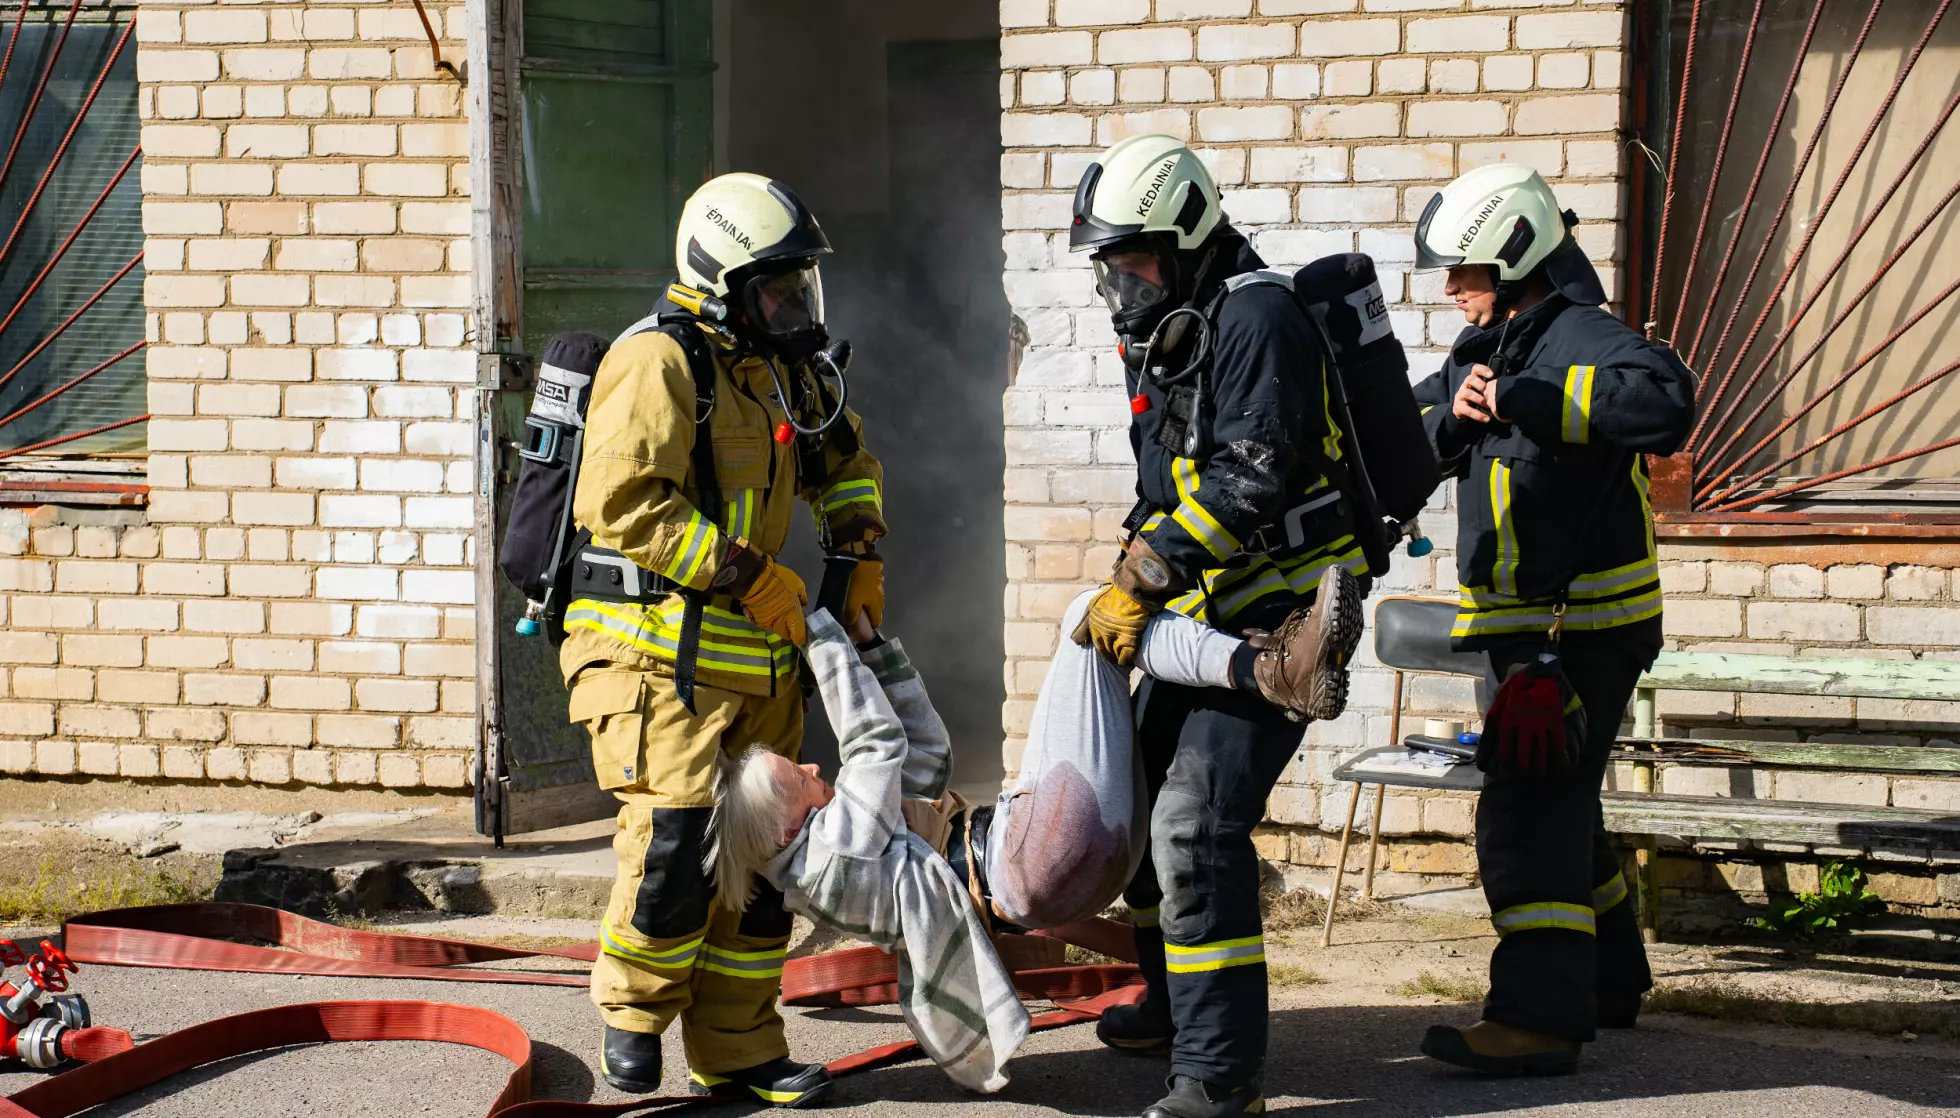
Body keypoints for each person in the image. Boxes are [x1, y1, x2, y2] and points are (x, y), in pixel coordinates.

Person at [560, 172, 886, 1106]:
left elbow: (849, 463)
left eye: (800, 287)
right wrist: (750, 573)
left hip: (756, 657)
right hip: (650, 651)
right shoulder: (660, 365)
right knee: (676, 843)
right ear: (719, 282)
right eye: (777, 289)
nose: (795, 306)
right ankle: (632, 1010)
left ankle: (741, 1052)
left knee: (766, 854)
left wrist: (860, 553)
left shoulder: (784, 367)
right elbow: (623, 506)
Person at [1067, 133, 1369, 1118]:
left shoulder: (1257, 318)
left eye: (1135, 258)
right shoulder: (1174, 327)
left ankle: (1218, 1068)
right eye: (1110, 262)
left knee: (1195, 826)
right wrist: (1139, 576)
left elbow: (1252, 475)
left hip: (1286, 618)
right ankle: (1166, 1002)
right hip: (1201, 618)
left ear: (1189, 236)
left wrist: (1142, 574)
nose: (1122, 280)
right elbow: (1169, 479)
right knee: (1139, 807)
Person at [1408, 163, 1696, 1075]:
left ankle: (1538, 1017)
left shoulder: (1586, 338)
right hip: (1524, 634)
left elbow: (1664, 406)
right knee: (1562, 801)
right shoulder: (1485, 347)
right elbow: (1406, 430)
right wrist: (1446, 421)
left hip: (1581, 635)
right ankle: (1608, 980)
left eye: (1466, 271)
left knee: (1527, 812)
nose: (1451, 288)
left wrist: (1537, 400)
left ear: (1517, 257)